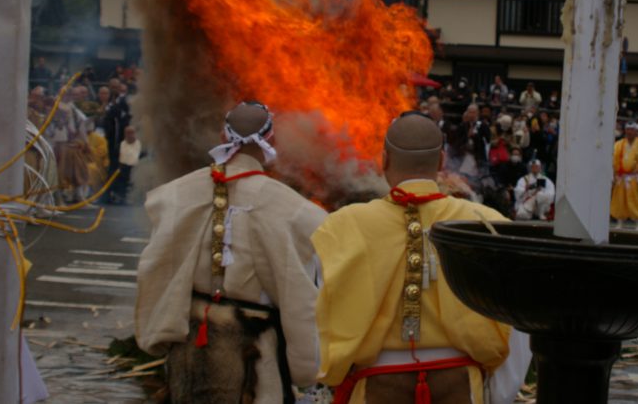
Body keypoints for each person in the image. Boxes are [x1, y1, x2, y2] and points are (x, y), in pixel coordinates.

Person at [311, 112, 529, 404]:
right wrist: (497, 395)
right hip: (460, 385)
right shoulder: (486, 224)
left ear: (384, 159)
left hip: (376, 386)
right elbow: (517, 321)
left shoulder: (341, 226)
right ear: (441, 161)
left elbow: (320, 310)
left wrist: (330, 377)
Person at [135, 102, 326, 403]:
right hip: (253, 350)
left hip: (192, 341)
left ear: (223, 136)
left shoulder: (177, 194)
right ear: (271, 140)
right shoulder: (293, 209)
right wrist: (308, 364)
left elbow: (154, 268)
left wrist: (156, 333)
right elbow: (302, 292)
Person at [611, 123, 638, 230]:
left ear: (636, 132)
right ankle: (620, 222)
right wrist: (613, 175)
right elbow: (612, 162)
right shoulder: (618, 145)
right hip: (621, 178)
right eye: (628, 130)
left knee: (637, 201)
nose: (629, 132)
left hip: (636, 178)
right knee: (620, 200)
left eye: (632, 130)